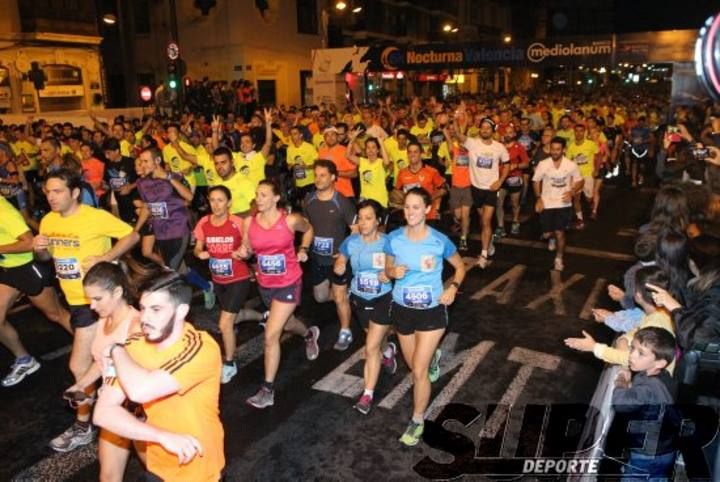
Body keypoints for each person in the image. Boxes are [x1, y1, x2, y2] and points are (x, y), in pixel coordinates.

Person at [33, 168, 139, 452]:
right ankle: (125, 397)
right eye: (47, 192)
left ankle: (83, 426)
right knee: (109, 356)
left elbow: (132, 237)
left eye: (57, 192)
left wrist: (104, 258)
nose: (51, 197)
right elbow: (46, 258)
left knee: (79, 366)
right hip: (73, 297)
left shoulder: (95, 216)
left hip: (94, 303)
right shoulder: (47, 220)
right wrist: (40, 248)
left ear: (75, 193)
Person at [93, 272, 225, 481]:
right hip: (158, 464)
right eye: (143, 308)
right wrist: (160, 437)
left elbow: (140, 391)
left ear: (181, 311)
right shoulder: (135, 345)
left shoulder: (201, 348)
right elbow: (103, 413)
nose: (144, 318)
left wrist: (115, 349)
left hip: (198, 468)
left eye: (156, 309)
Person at [386, 187, 466, 446]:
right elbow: (387, 267)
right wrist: (392, 271)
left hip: (431, 311)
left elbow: (461, 267)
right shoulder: (394, 238)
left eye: (416, 207)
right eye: (407, 207)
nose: (410, 212)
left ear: (427, 210)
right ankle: (432, 360)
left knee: (418, 372)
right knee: (413, 365)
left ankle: (417, 419)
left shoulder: (439, 240)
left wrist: (452, 287)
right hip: (402, 310)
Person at [241, 180, 321, 409]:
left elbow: (309, 230)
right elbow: (248, 249)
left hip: (289, 281)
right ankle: (308, 334)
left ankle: (267, 390)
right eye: (257, 194)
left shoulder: (290, 220)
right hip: (265, 283)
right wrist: (242, 252)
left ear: (276, 198)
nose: (259, 198)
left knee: (271, 334)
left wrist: (303, 249)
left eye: (264, 195)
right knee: (287, 324)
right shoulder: (249, 222)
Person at [69, 262, 146, 482]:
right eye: (89, 299)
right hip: (114, 410)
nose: (91, 306)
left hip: (141, 413)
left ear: (118, 292)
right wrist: (81, 384)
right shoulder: (104, 319)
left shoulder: (137, 325)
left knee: (163, 473)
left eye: (97, 299)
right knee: (109, 477)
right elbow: (103, 360)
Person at [0, 196, 71, 386]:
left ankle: (100, 350)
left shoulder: (2, 209)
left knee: (55, 314)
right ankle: (25, 360)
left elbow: (29, 242)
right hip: (6, 270)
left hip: (27, 267)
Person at [334, 199, 397, 415]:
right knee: (374, 338)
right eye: (360, 218)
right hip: (360, 299)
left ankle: (367, 394)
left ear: (378, 221)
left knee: (370, 347)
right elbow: (340, 261)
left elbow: (397, 266)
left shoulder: (388, 242)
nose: (363, 223)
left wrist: (389, 272)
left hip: (383, 298)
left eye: (368, 218)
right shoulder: (351, 242)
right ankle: (388, 350)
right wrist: (340, 266)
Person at [194, 186, 261, 384]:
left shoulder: (238, 223)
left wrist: (244, 251)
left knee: (224, 323)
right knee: (235, 317)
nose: (216, 205)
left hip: (238, 279)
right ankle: (263, 316)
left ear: (229, 203)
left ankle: (230, 363)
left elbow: (252, 247)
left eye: (220, 200)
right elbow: (197, 247)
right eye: (212, 200)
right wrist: (200, 253)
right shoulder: (204, 223)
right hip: (219, 279)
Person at [612, 327, 678, 480]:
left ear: (660, 362)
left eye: (641, 353)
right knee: (656, 476)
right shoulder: (663, 376)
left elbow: (621, 403)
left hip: (647, 454)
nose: (631, 356)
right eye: (633, 348)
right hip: (667, 447)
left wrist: (622, 380)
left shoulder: (649, 388)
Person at [304, 160, 357, 351]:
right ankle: (344, 295)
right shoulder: (309, 200)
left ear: (333, 177)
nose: (318, 179)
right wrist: (304, 247)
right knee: (320, 297)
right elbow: (307, 227)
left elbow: (356, 231)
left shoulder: (342, 201)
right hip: (318, 260)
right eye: (316, 175)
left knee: (340, 298)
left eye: (322, 175)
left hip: (337, 261)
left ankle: (345, 331)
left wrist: (344, 254)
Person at [453, 114, 510, 268]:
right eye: (483, 127)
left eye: (488, 128)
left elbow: (507, 164)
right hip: (476, 189)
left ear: (492, 130)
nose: (485, 130)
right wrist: (455, 118)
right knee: (482, 220)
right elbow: (458, 135)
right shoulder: (473, 143)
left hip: (491, 190)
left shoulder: (499, 147)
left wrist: (500, 181)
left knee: (486, 221)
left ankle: (484, 254)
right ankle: (489, 241)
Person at [135, 147, 193, 271]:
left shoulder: (174, 176)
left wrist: (168, 177)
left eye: (146, 161)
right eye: (141, 162)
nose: (142, 165)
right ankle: (204, 286)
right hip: (160, 232)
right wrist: (136, 229)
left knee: (169, 269)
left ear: (157, 160)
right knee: (179, 269)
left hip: (178, 229)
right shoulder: (142, 183)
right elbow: (147, 207)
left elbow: (189, 196)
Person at [532, 137, 584, 272]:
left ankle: (559, 258)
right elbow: (536, 181)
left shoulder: (571, 165)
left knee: (560, 232)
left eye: (557, 149)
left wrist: (572, 192)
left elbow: (580, 181)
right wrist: (538, 198)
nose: (554, 152)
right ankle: (551, 237)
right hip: (547, 203)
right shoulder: (543, 164)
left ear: (564, 150)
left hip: (563, 204)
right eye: (552, 149)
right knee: (547, 234)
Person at [566, 123, 599, 230]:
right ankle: (580, 219)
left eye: (581, 131)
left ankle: (591, 205)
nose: (578, 133)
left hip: (588, 174)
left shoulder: (590, 144)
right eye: (577, 131)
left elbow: (598, 156)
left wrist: (597, 169)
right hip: (576, 177)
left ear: (584, 132)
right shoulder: (571, 146)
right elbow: (568, 161)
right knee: (576, 198)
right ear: (574, 132)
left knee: (589, 198)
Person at [346, 132, 392, 208]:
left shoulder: (381, 162)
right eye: (368, 147)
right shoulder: (362, 161)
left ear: (378, 150)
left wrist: (381, 143)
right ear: (365, 150)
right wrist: (352, 140)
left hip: (380, 202)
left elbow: (387, 162)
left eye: (373, 147)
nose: (370, 150)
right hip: (365, 200)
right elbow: (348, 155)